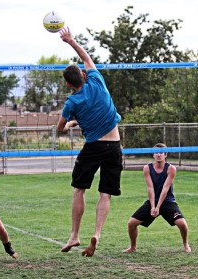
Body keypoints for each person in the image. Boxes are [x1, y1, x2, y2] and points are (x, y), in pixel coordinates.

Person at [57, 27, 122, 257]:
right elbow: (85, 57)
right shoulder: (97, 80)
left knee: (79, 190)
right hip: (114, 145)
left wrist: (71, 124)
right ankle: (97, 233)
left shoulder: (72, 102)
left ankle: (75, 235)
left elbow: (59, 129)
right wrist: (70, 41)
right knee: (105, 194)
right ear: (84, 76)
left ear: (68, 85)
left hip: (93, 146)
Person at [123, 143, 191, 253]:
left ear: (166, 154)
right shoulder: (147, 168)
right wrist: (153, 206)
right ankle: (133, 247)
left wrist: (158, 207)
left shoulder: (171, 169)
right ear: (153, 155)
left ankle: (185, 244)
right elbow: (150, 188)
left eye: (161, 152)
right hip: (152, 201)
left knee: (182, 224)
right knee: (131, 223)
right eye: (156, 152)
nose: (158, 154)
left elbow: (165, 189)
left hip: (167, 201)